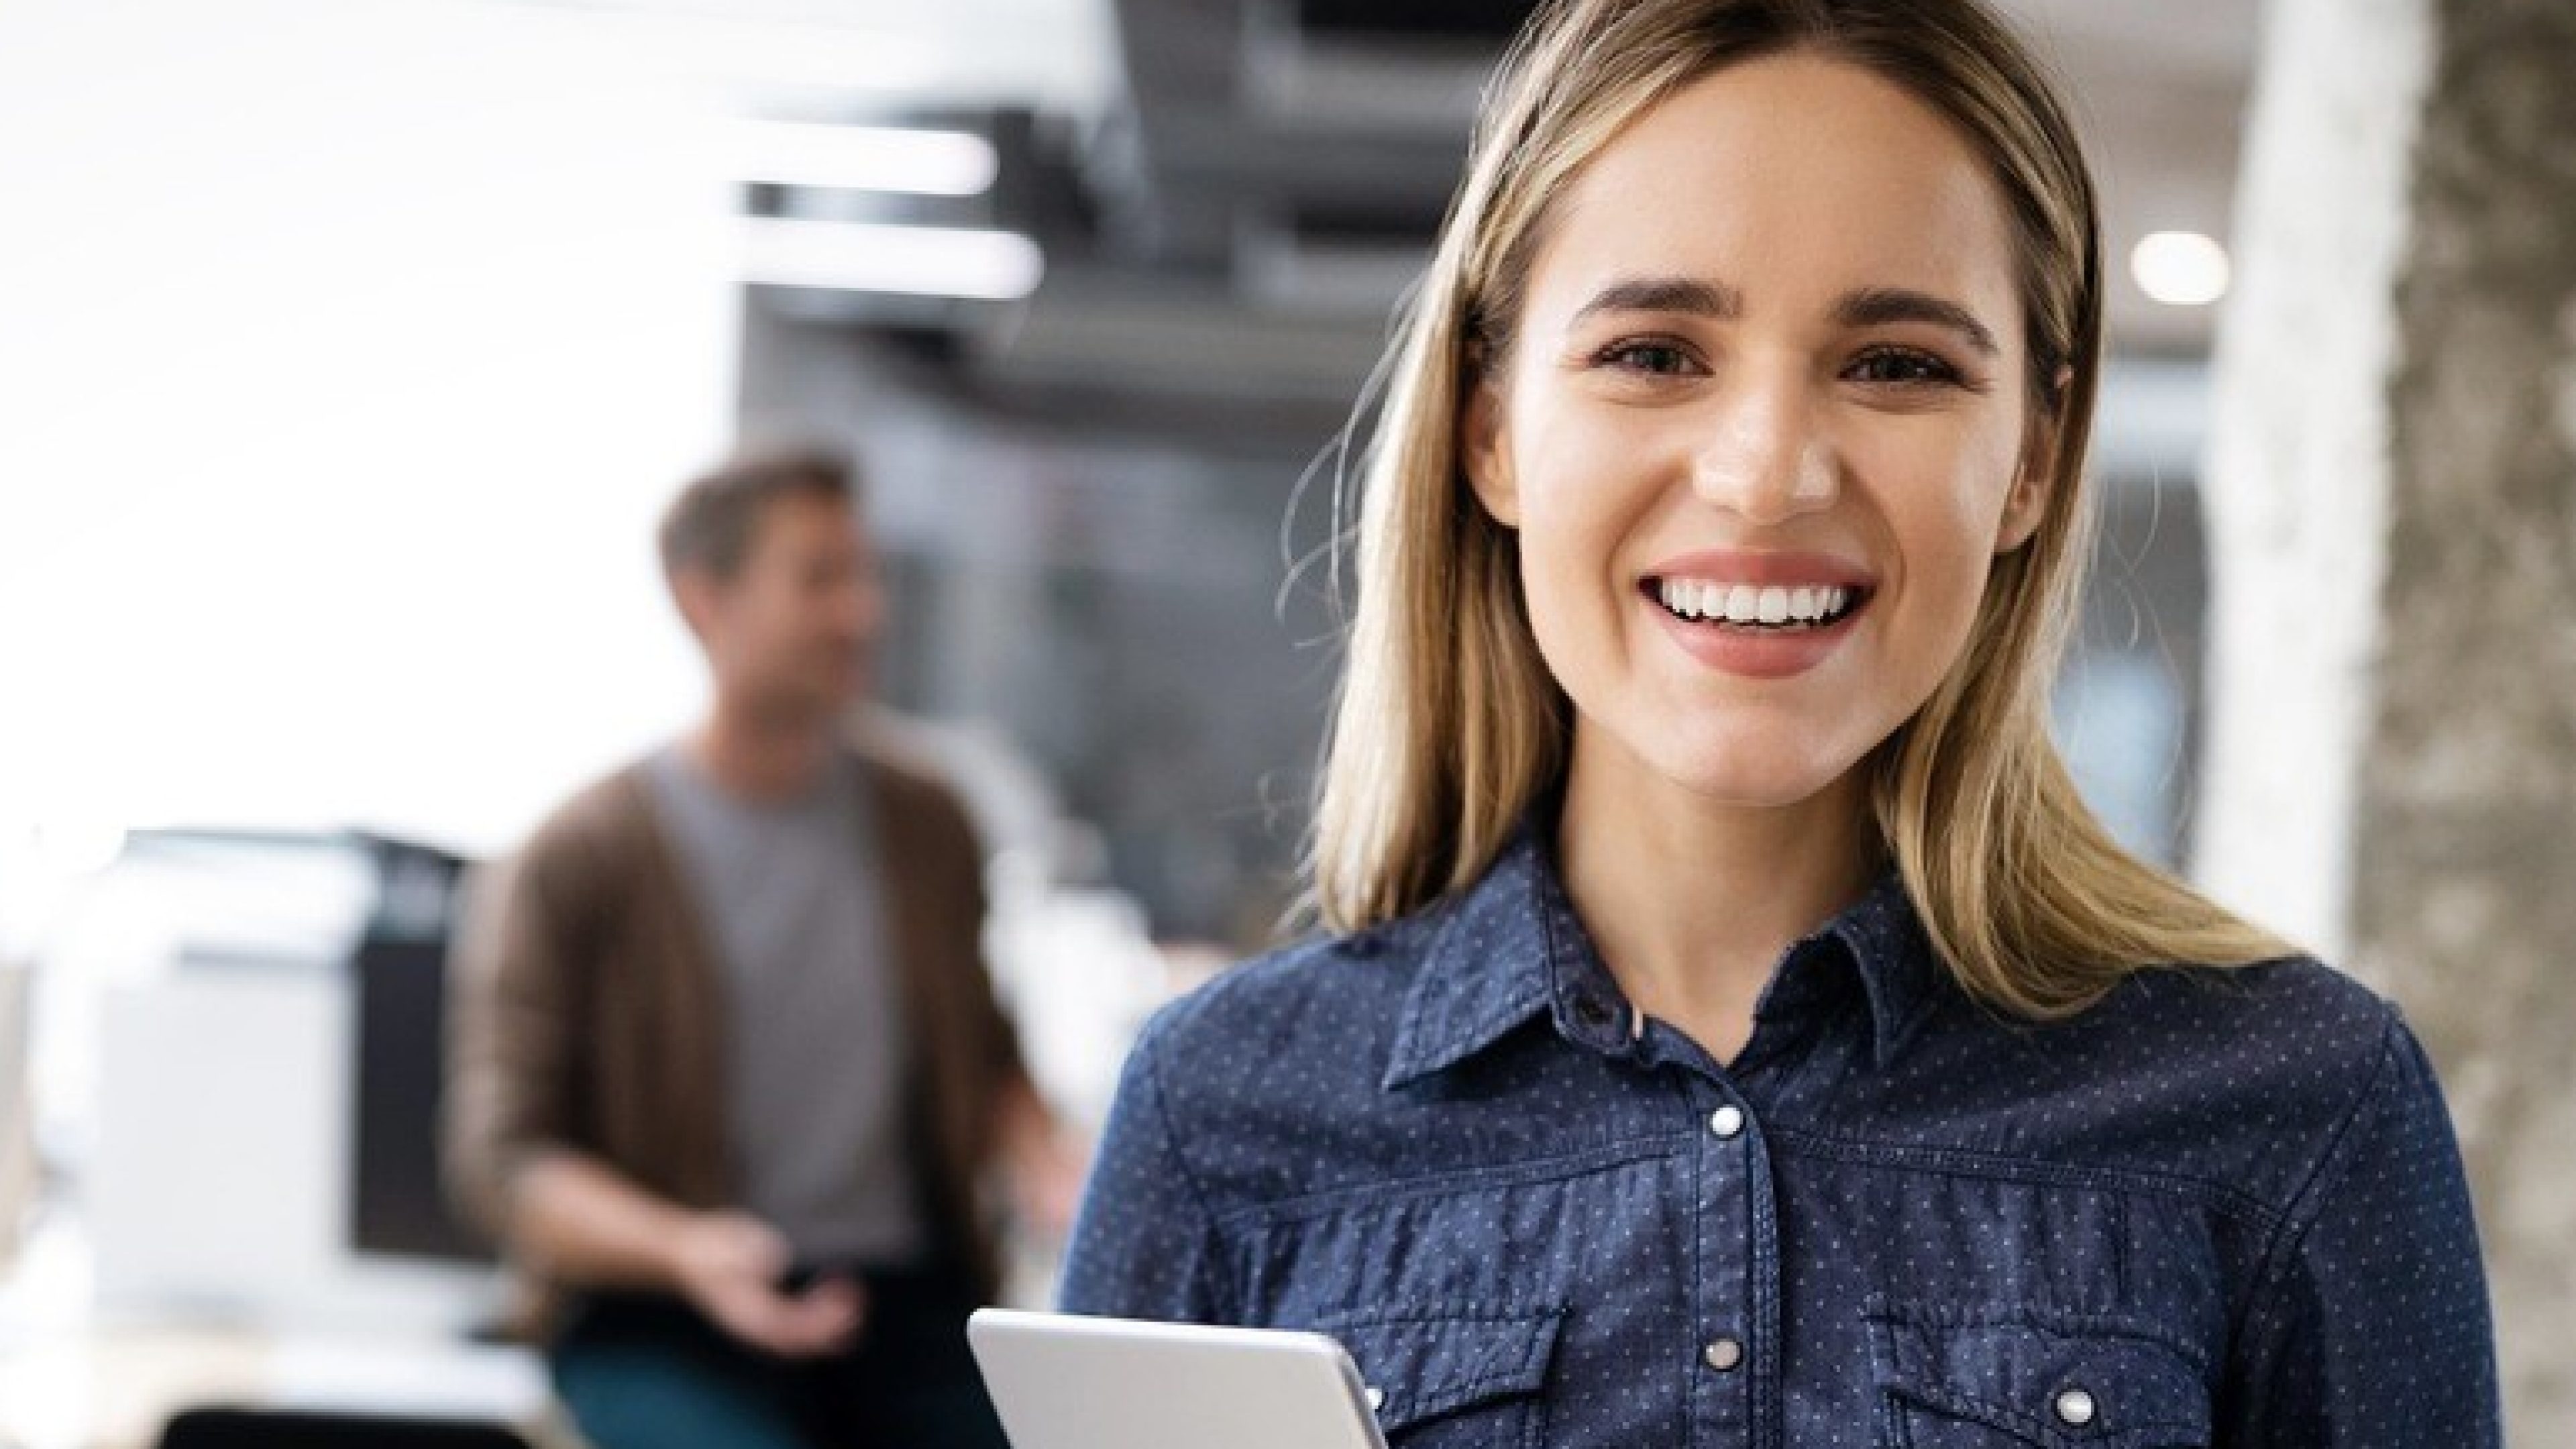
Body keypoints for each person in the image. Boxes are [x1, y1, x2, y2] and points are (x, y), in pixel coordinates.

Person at [1058, 1, 2503, 1444]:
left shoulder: (2301, 1109)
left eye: (1897, 366)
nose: (1765, 476)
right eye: (1654, 352)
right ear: (1490, 426)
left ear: (2032, 465)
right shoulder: (1223, 1119)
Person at [447, 446, 1069, 1449]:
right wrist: (688, 1251)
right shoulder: (580, 856)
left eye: (864, 576)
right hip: (664, 1313)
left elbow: (987, 1054)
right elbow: (506, 1161)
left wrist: (1050, 1171)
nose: (860, 613)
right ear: (704, 600)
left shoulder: (926, 819)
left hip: (911, 1305)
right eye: (819, 578)